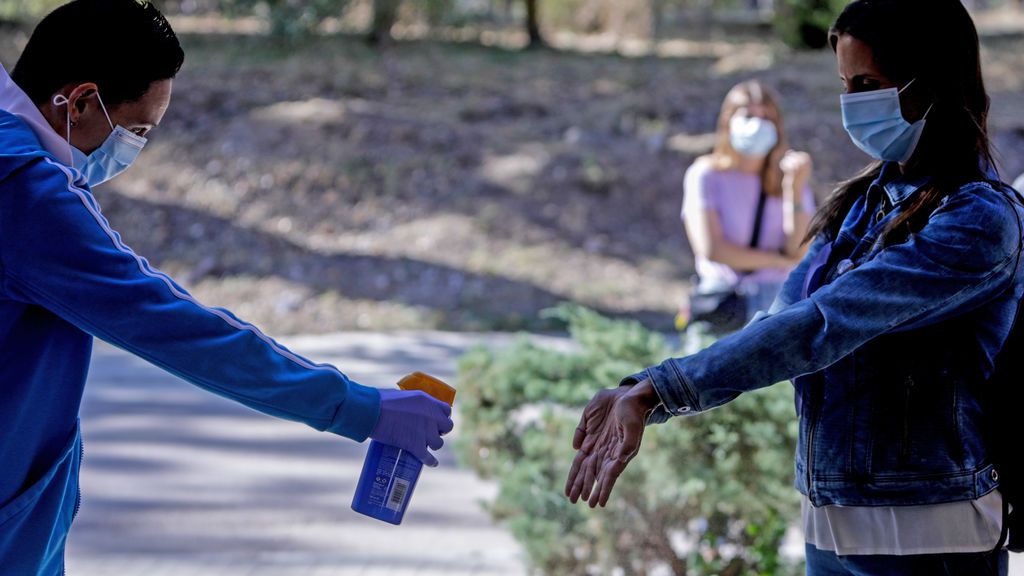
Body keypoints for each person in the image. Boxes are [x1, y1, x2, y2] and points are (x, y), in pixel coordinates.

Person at [566, 1, 1021, 574]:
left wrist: (660, 390)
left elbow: (824, 324)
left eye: (868, 83)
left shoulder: (978, 220)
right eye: (845, 84)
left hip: (930, 533)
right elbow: (781, 322)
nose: (853, 103)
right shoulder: (859, 204)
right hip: (830, 524)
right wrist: (647, 388)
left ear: (931, 82)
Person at [0, 2, 453, 574]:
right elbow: (172, 326)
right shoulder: (24, 191)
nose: (134, 150)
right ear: (82, 100)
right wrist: (360, 408)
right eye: (136, 130)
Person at [681, 80, 815, 330]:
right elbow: (713, 249)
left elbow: (798, 250)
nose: (757, 124)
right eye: (748, 115)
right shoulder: (704, 174)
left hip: (778, 304)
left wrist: (793, 190)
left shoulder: (790, 177)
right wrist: (777, 261)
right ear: (728, 120)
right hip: (724, 304)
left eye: (766, 117)